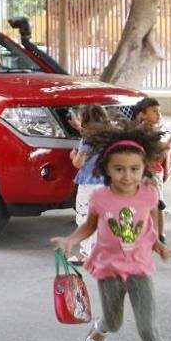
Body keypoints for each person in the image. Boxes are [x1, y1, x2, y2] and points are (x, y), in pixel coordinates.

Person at [50, 122, 171, 341]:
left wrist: (158, 243)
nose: (127, 175)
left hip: (139, 269)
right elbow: (90, 226)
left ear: (143, 168)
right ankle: (100, 329)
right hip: (109, 268)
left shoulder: (148, 193)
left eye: (134, 169)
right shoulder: (100, 198)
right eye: (119, 169)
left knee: (148, 328)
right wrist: (71, 240)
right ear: (107, 169)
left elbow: (152, 218)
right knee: (115, 321)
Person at [68, 104, 110, 264]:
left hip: (88, 185)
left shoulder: (86, 141)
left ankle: (86, 253)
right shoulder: (108, 138)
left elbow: (79, 163)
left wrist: (73, 156)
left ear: (85, 123)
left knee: (84, 217)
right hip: (105, 183)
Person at [134, 97, 171, 243]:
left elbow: (163, 154)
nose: (158, 114)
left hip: (155, 171)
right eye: (154, 111)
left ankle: (160, 234)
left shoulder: (160, 131)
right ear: (142, 115)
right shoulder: (138, 133)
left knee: (158, 205)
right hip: (142, 172)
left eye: (160, 111)